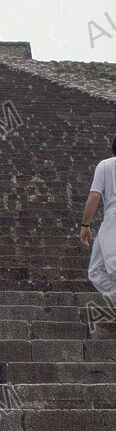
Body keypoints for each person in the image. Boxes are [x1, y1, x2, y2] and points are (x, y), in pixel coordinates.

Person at [82, 135, 116, 324]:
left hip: (113, 219)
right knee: (96, 269)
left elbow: (95, 195)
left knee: (102, 269)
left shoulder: (105, 165)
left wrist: (85, 225)